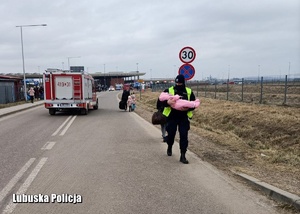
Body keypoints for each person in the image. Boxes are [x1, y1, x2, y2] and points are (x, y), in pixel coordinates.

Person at [161, 74, 196, 164]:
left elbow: (194, 104)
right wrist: (167, 102)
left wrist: (188, 108)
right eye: (177, 83)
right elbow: (160, 102)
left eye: (180, 83)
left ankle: (183, 155)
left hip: (183, 118)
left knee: (184, 136)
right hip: (172, 117)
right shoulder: (169, 90)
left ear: (183, 83)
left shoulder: (188, 91)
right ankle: (169, 146)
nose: (178, 84)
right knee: (171, 135)